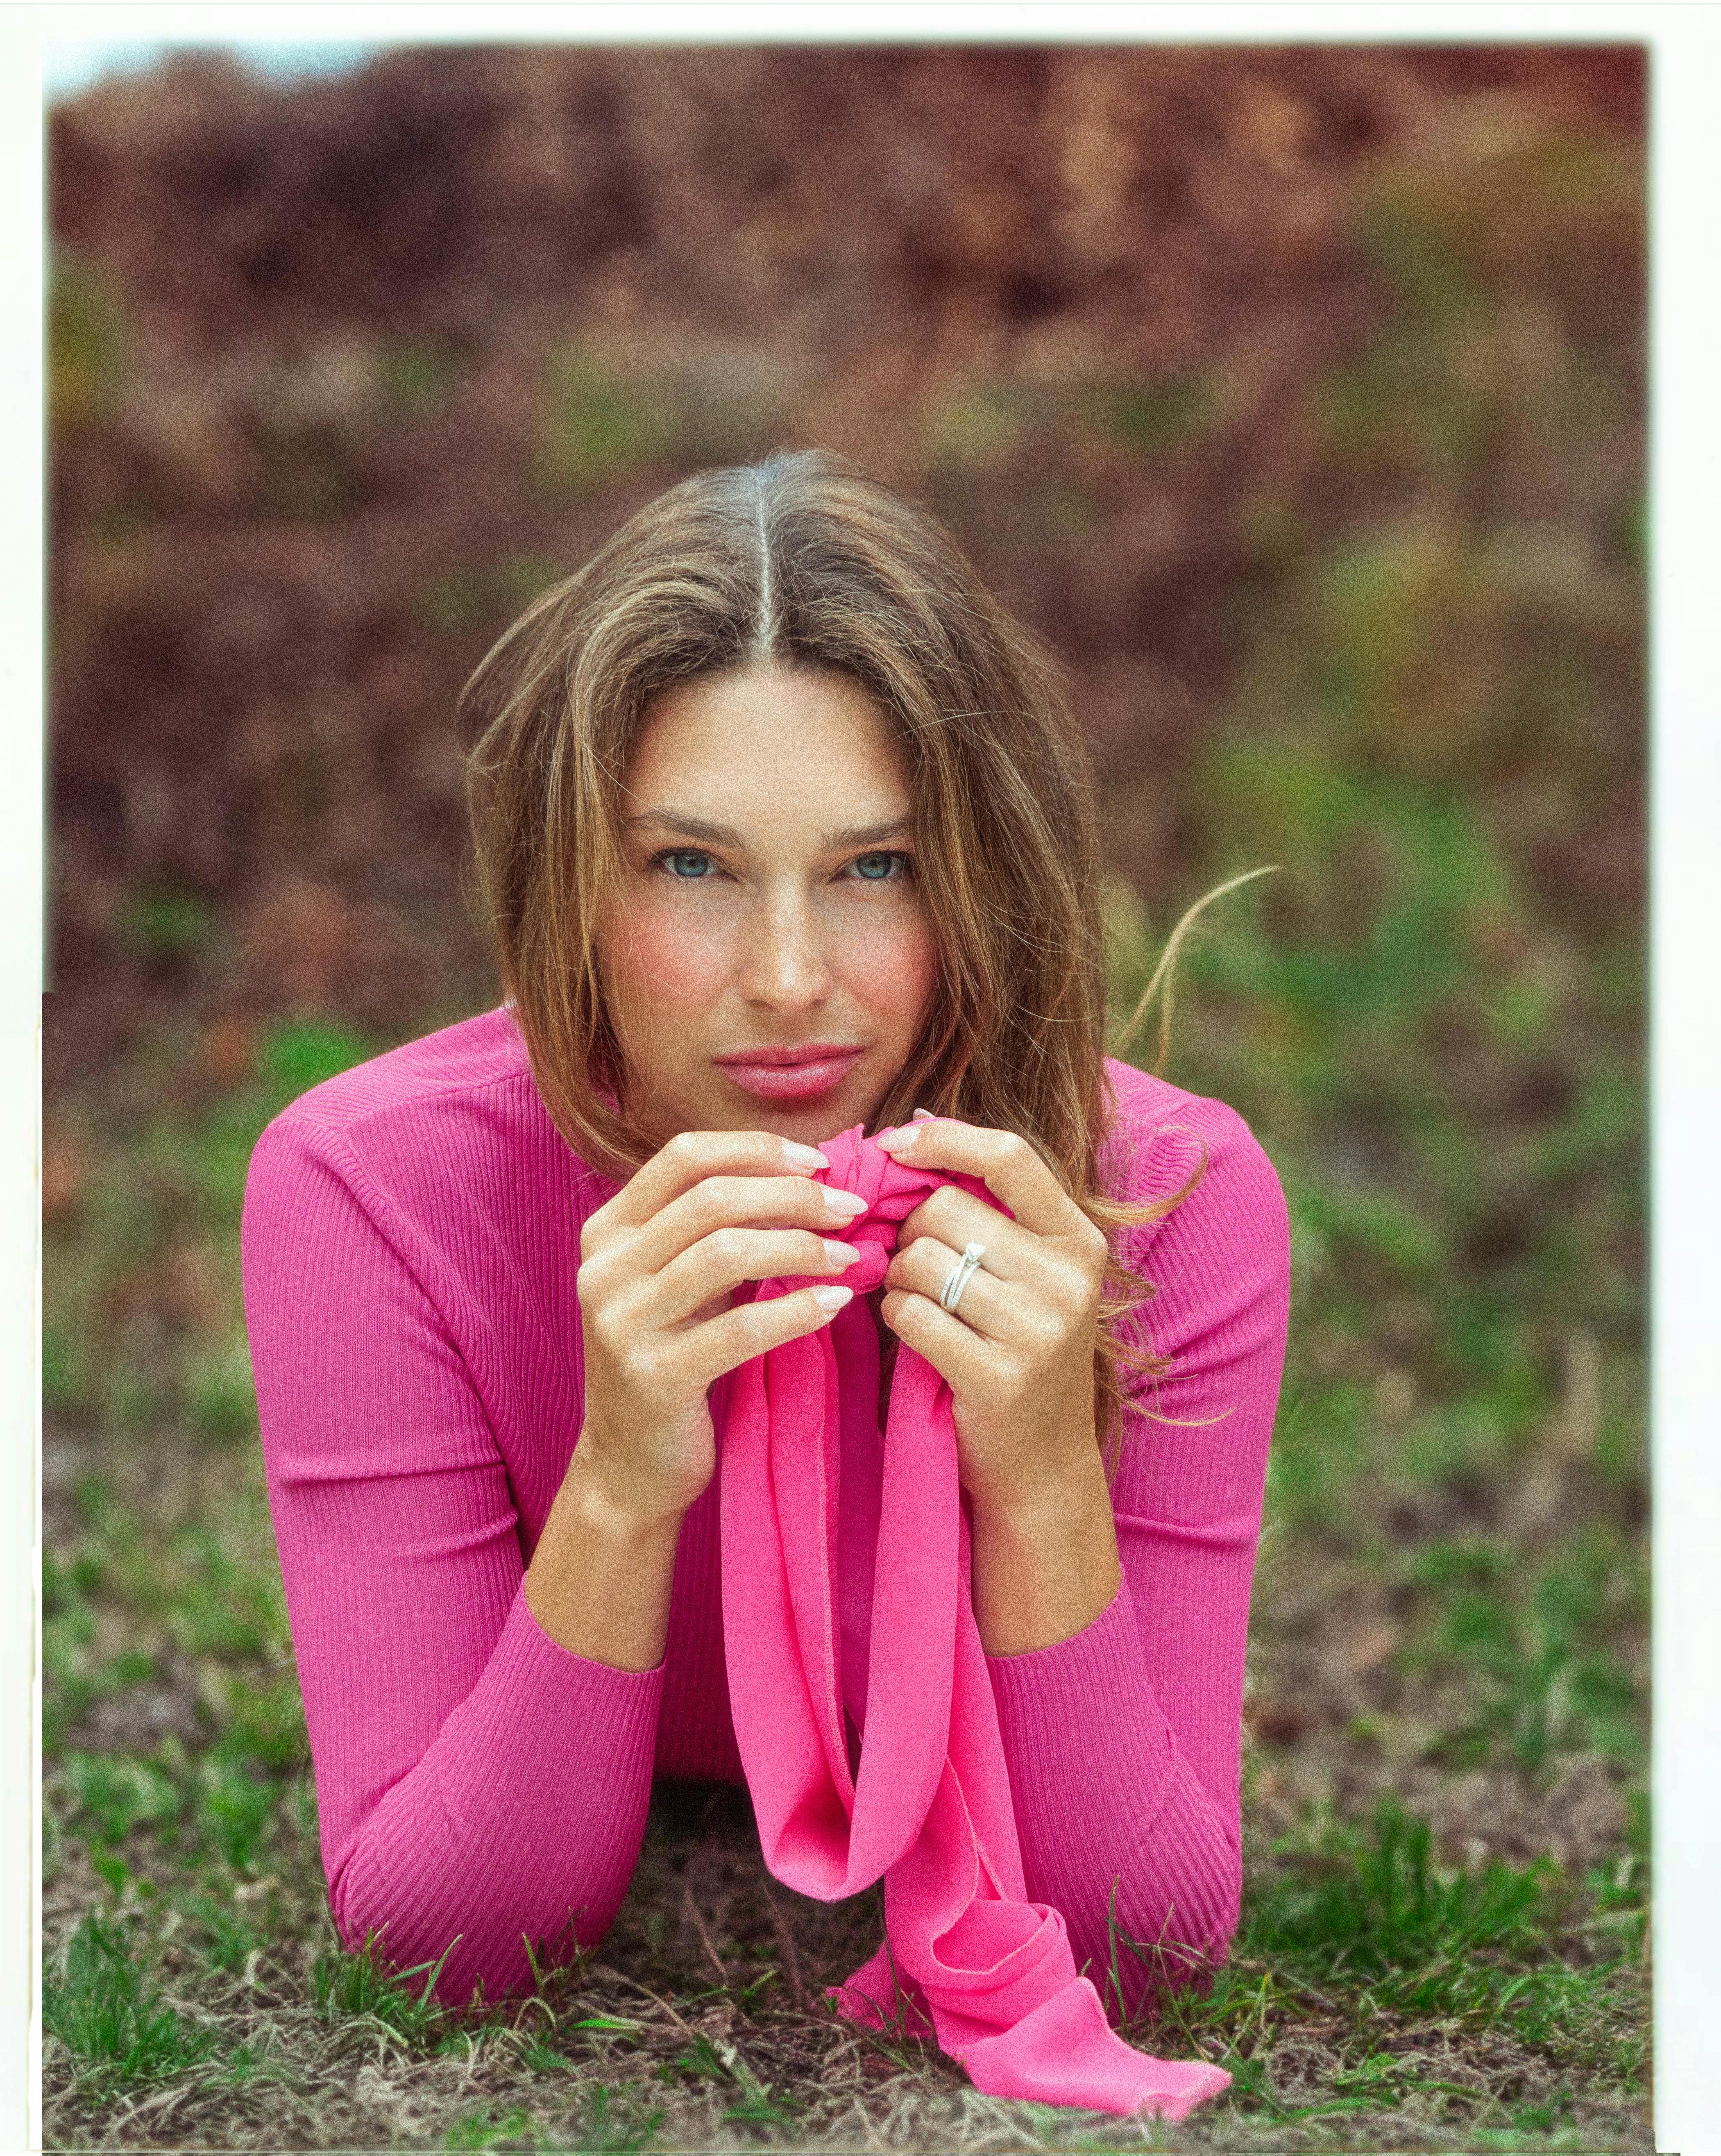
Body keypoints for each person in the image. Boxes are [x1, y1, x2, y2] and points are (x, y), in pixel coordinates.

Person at [240, 448, 1290, 2022]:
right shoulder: (370, 1194)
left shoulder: (1164, 1202)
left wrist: (1047, 1475)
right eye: (693, 866)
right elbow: (440, 1948)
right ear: (573, 878)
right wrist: (616, 1484)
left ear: (982, 874)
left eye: (876, 867)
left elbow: (1136, 1947)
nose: (789, 978)